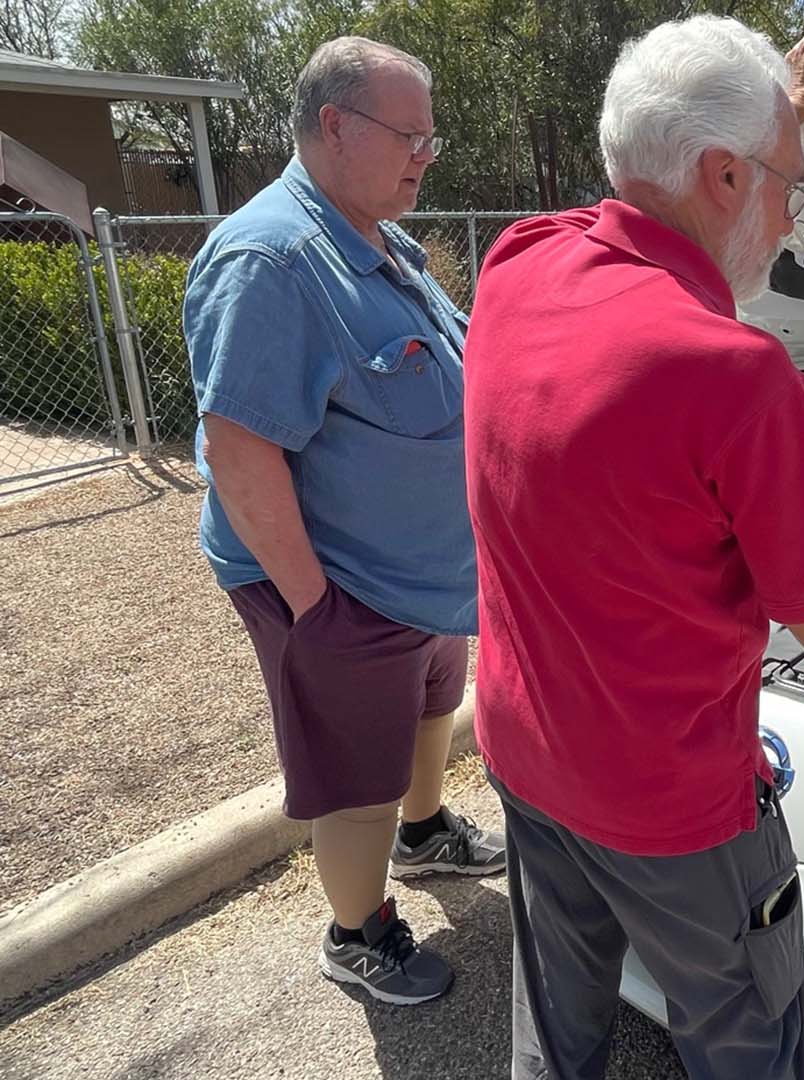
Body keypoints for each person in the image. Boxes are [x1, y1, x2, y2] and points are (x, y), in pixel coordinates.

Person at [462, 15, 804, 1080]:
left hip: (526, 755)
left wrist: (783, 111)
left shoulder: (518, 262)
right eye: (789, 184)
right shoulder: (736, 373)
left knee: (555, 1032)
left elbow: (671, 170)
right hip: (674, 821)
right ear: (722, 176)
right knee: (742, 1038)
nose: (793, 221)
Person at [183, 36, 503, 1008]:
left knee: (428, 706)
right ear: (335, 125)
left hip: (412, 579)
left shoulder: (372, 234)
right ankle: (357, 931)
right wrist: (318, 611)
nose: (425, 155)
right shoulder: (270, 259)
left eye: (428, 139)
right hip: (343, 587)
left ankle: (423, 831)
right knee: (356, 772)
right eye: (410, 134)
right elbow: (240, 450)